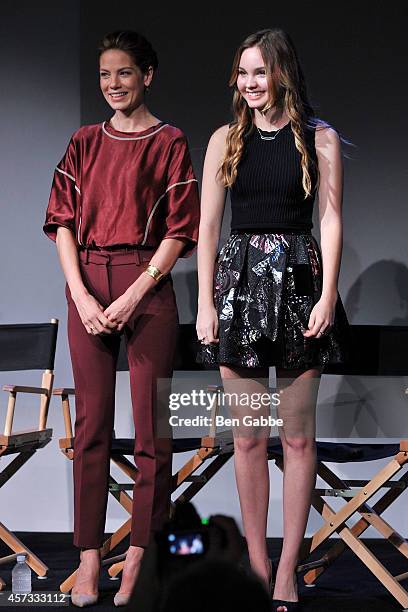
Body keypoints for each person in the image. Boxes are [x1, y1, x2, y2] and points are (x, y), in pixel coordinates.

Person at [43, 30, 200, 607]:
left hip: (147, 283)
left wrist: (135, 294)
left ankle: (139, 553)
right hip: (87, 278)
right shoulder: (84, 141)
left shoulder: (171, 141)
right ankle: (88, 560)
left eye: (125, 74)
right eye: (105, 75)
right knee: (91, 426)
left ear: (147, 76)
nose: (113, 85)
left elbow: (181, 229)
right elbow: (61, 221)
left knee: (152, 431)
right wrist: (82, 297)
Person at [196, 28, 349, 612]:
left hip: (299, 281)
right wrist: (208, 302)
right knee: (249, 437)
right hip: (238, 286)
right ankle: (257, 567)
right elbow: (209, 227)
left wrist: (328, 293)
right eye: (241, 73)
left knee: (298, 434)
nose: (249, 83)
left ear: (281, 73)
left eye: (258, 72)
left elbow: (331, 222)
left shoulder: (320, 138)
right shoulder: (224, 139)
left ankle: (288, 567)